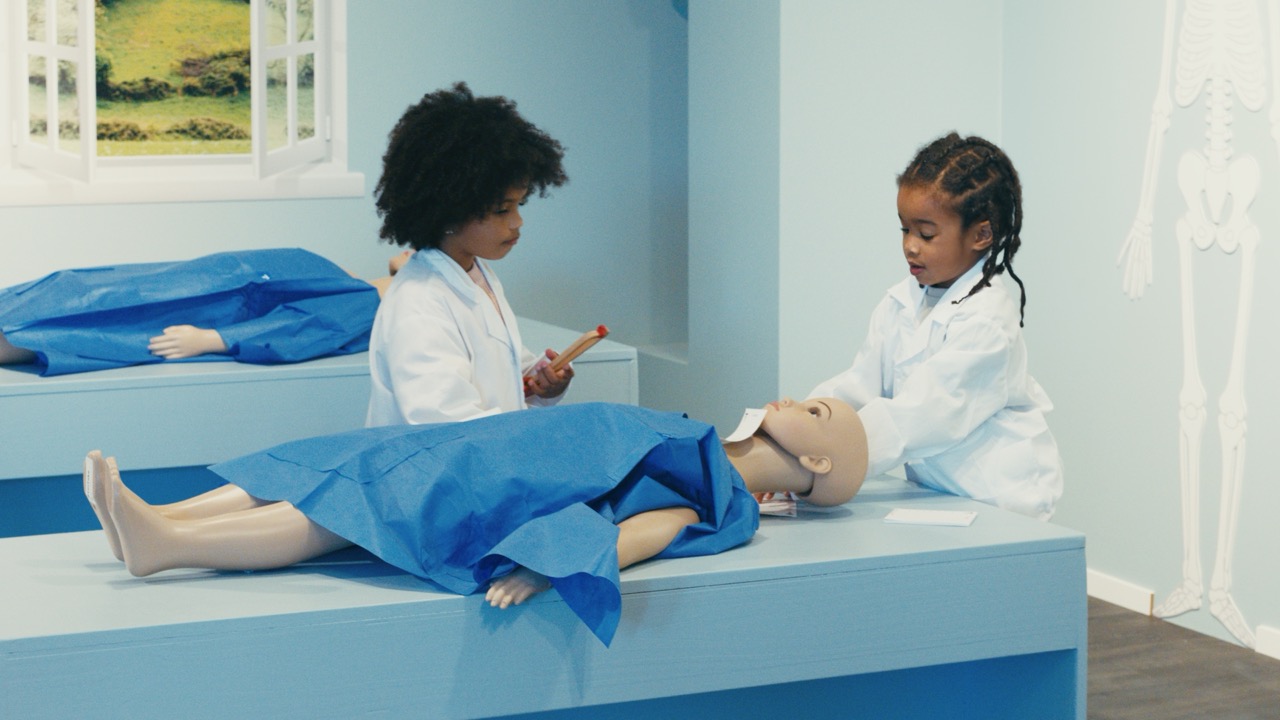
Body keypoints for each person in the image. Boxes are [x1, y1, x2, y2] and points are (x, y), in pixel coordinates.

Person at [84, 397, 868, 645]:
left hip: (518, 480)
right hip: (505, 445)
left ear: (820, 467)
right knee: (340, 464)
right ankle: (158, 514)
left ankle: (168, 544)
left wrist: (548, 562)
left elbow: (644, 531)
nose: (802, 399)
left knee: (365, 509)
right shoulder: (713, 445)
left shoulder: (721, 497)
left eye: (817, 413)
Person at [809, 133, 1063, 520]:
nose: (911, 245)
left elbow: (916, 418)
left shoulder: (988, 323)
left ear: (981, 235)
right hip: (937, 493)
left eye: (926, 234)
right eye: (904, 230)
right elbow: (859, 386)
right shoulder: (900, 301)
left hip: (1001, 499)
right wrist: (806, 419)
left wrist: (817, 460)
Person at [366, 82, 573, 427]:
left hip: (484, 462)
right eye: (501, 210)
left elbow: (500, 371)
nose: (517, 223)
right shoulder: (420, 305)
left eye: (518, 206)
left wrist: (541, 384)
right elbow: (445, 423)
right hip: (444, 472)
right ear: (449, 210)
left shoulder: (476, 275)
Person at [0, 248, 404, 376]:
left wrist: (213, 340)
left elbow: (301, 328)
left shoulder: (364, 304)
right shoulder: (355, 284)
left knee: (96, 320)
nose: (411, 248)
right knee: (75, 289)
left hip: (209, 308)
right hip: (194, 283)